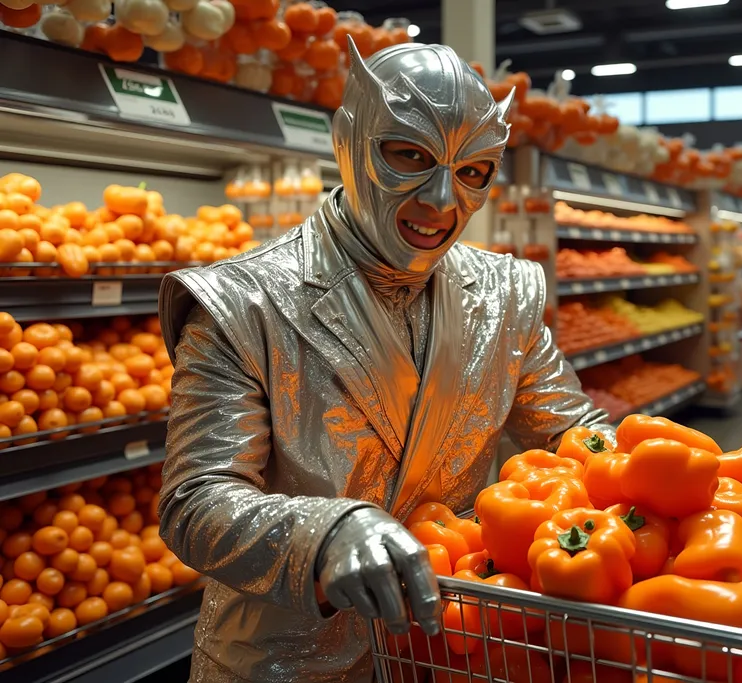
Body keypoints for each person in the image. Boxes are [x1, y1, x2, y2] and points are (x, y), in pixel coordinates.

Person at [156, 39, 613, 683]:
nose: (441, 200)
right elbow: (195, 501)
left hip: (450, 645)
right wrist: (324, 533)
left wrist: (658, 479)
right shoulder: (243, 301)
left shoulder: (508, 295)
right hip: (284, 657)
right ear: (349, 141)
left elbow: (569, 430)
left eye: (473, 172)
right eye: (409, 156)